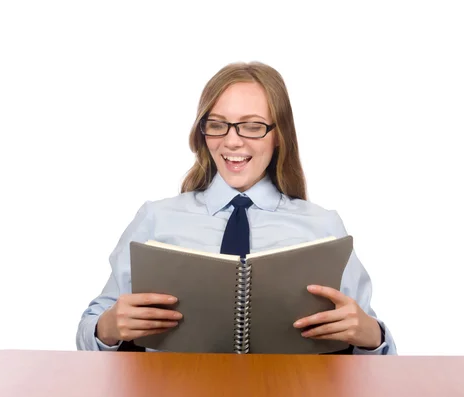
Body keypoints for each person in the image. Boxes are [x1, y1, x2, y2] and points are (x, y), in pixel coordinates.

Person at [76, 61, 397, 355]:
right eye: (217, 125)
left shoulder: (323, 227)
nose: (232, 141)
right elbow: (89, 335)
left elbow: (377, 357)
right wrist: (108, 328)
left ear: (279, 135)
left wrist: (371, 334)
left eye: (252, 126)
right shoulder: (156, 219)